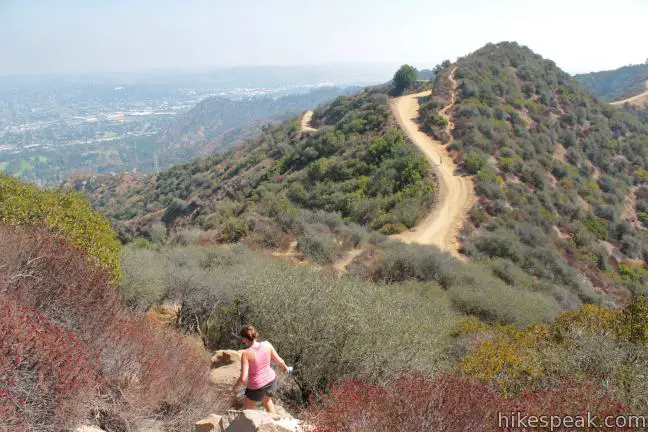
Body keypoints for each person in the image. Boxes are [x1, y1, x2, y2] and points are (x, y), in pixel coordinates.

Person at [231, 324, 293, 413]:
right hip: (272, 381)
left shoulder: (246, 354)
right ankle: (272, 423)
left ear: (244, 339)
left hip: (256, 387)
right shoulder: (267, 344)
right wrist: (286, 368)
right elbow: (279, 361)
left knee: (246, 412)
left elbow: (243, 379)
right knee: (267, 400)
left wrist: (234, 388)